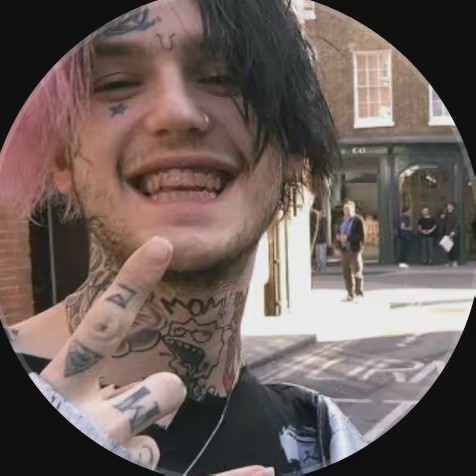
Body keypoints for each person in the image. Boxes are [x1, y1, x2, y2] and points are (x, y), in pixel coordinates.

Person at [0, 1, 366, 475]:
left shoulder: (322, 439)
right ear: (61, 159)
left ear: (295, 149)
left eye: (224, 77)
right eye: (116, 83)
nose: (176, 112)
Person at [335, 201, 366, 302]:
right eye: (345, 210)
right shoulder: (341, 220)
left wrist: (348, 237)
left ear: (353, 210)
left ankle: (358, 292)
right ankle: (350, 294)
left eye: (348, 210)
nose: (346, 212)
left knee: (357, 270)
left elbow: (361, 236)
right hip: (344, 250)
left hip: (354, 250)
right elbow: (338, 232)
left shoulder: (358, 220)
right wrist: (338, 238)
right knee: (346, 272)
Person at [440, 201, 459, 266]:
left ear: (453, 207)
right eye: (448, 206)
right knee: (447, 248)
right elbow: (443, 225)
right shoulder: (446, 215)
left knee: (453, 248)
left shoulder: (455, 215)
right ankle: (449, 261)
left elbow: (456, 224)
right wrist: (442, 218)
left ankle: (454, 261)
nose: (449, 207)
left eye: (450, 206)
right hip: (446, 233)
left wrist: (454, 231)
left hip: (452, 234)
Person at [311, 206, 328, 272]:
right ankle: (319, 267)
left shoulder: (323, 221)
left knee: (321, 255)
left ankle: (322, 267)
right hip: (318, 240)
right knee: (318, 255)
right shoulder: (318, 221)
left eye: (318, 213)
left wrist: (320, 238)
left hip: (322, 240)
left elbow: (323, 232)